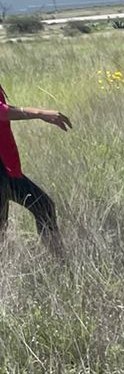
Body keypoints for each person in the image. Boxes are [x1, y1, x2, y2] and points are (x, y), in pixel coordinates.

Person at [0, 81, 70, 256]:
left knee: (43, 206)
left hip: (6, 168)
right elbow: (2, 112)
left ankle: (61, 262)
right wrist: (40, 113)